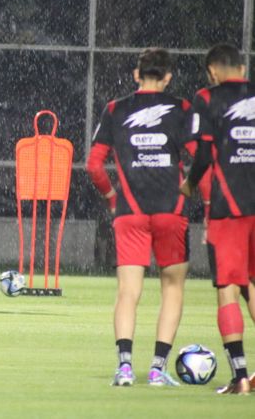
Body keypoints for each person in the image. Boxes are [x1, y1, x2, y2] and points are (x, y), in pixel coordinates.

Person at [86, 48, 195, 387]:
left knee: (128, 292)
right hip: (170, 212)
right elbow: (200, 158)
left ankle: (124, 367)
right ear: (168, 77)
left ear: (136, 75)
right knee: (172, 289)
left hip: (129, 212)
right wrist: (189, 192)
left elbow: (93, 165)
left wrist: (111, 197)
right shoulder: (182, 110)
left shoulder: (116, 109)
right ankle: (158, 369)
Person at [180, 43, 255, 395]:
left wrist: (190, 184)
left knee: (228, 289)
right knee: (253, 286)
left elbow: (206, 152)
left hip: (230, 208)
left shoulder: (207, 99)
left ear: (213, 70)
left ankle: (240, 377)